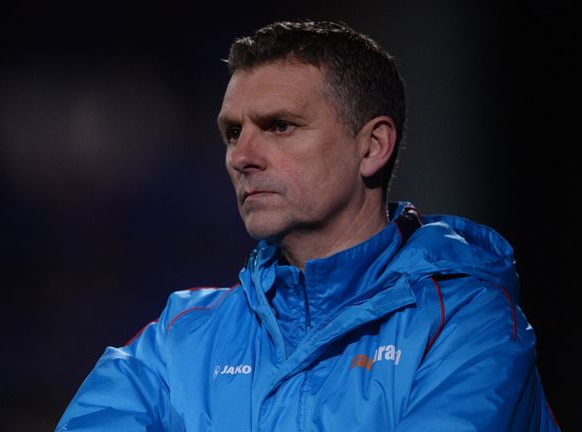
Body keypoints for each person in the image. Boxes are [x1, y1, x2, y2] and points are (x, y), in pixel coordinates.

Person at [55, 20, 561, 431]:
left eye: (280, 126)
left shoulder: (468, 323)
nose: (242, 157)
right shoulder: (179, 337)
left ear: (372, 147)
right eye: (233, 132)